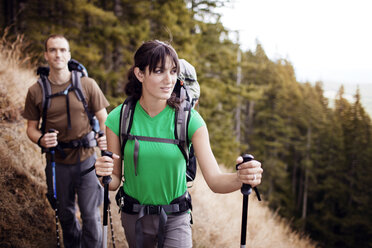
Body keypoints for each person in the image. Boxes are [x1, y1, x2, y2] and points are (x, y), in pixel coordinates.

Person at [94, 40, 263, 248]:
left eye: (173, 71)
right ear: (139, 74)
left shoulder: (191, 120)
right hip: (134, 217)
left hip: (176, 218)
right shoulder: (118, 118)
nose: (169, 80)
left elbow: (215, 181)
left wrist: (241, 177)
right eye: (158, 71)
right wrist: (103, 172)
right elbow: (113, 182)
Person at [23, 34, 109, 248]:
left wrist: (104, 138)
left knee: (91, 216)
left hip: (87, 161)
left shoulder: (87, 85)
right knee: (66, 215)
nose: (58, 54)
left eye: (62, 50)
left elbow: (104, 120)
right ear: (46, 55)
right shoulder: (36, 91)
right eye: (53, 50)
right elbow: (30, 129)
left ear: (69, 54)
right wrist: (42, 139)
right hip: (57, 163)